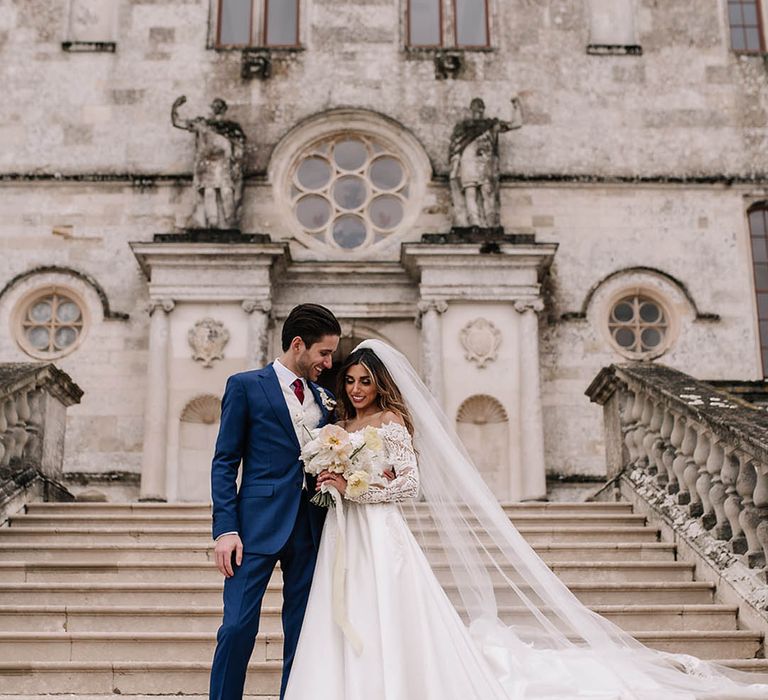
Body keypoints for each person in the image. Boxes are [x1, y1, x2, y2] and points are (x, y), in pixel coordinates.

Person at [284, 340, 768, 700]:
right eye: (350, 381)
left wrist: (355, 487)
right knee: (341, 606)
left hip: (381, 530)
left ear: (381, 383)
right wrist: (329, 480)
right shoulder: (340, 427)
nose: (355, 389)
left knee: (389, 608)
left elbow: (408, 486)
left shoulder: (391, 423)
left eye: (365, 381)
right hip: (344, 533)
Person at [208, 303, 341, 700]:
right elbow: (225, 461)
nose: (329, 362)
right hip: (254, 527)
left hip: (310, 527)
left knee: (302, 631)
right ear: (298, 344)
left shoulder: (326, 398)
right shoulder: (246, 385)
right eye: (324, 353)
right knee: (236, 627)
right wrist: (225, 529)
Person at [171, 95, 246, 230]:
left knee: (226, 191)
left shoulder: (231, 127)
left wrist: (236, 163)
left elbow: (239, 147)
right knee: (210, 191)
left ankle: (229, 222)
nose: (217, 109)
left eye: (219, 107)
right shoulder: (203, 124)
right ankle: (213, 221)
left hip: (224, 162)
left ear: (223, 110)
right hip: (207, 163)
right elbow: (177, 122)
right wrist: (175, 107)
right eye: (215, 107)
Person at [449, 97, 522, 229]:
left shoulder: (491, 125)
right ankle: (474, 222)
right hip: (468, 162)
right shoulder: (463, 127)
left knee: (487, 191)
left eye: (481, 109)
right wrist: (454, 166)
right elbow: (455, 148)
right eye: (476, 109)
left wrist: (516, 107)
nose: (479, 112)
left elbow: (516, 124)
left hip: (485, 163)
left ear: (483, 110)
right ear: (471, 110)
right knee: (470, 191)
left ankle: (490, 223)